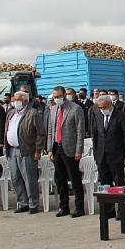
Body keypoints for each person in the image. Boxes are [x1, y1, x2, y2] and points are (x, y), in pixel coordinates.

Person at [46, 86, 86, 218]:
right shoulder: (53, 109)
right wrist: (49, 149)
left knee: (74, 179)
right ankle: (64, 207)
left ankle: (79, 208)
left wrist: (78, 150)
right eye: (54, 97)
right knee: (60, 179)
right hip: (56, 147)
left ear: (64, 95)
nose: (56, 99)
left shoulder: (75, 109)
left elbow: (80, 131)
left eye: (58, 96)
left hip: (70, 148)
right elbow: (50, 131)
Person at [4, 91, 46, 214]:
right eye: (14, 100)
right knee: (15, 178)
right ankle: (23, 202)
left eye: (18, 100)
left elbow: (41, 133)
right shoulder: (11, 113)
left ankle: (33, 204)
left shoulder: (33, 113)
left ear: (26, 101)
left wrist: (38, 150)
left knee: (29, 178)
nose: (15, 102)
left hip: (27, 150)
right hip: (12, 150)